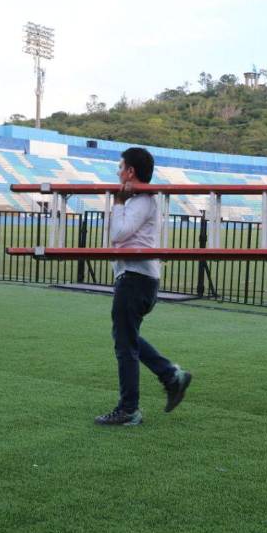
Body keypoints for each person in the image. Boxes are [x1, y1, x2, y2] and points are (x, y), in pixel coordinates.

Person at [95, 147, 192, 426]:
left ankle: (129, 408)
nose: (117, 172)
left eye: (120, 166)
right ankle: (171, 376)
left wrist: (116, 203)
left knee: (125, 344)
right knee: (127, 337)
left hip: (135, 279)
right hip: (138, 278)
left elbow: (117, 235)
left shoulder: (140, 201)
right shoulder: (141, 200)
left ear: (130, 172)